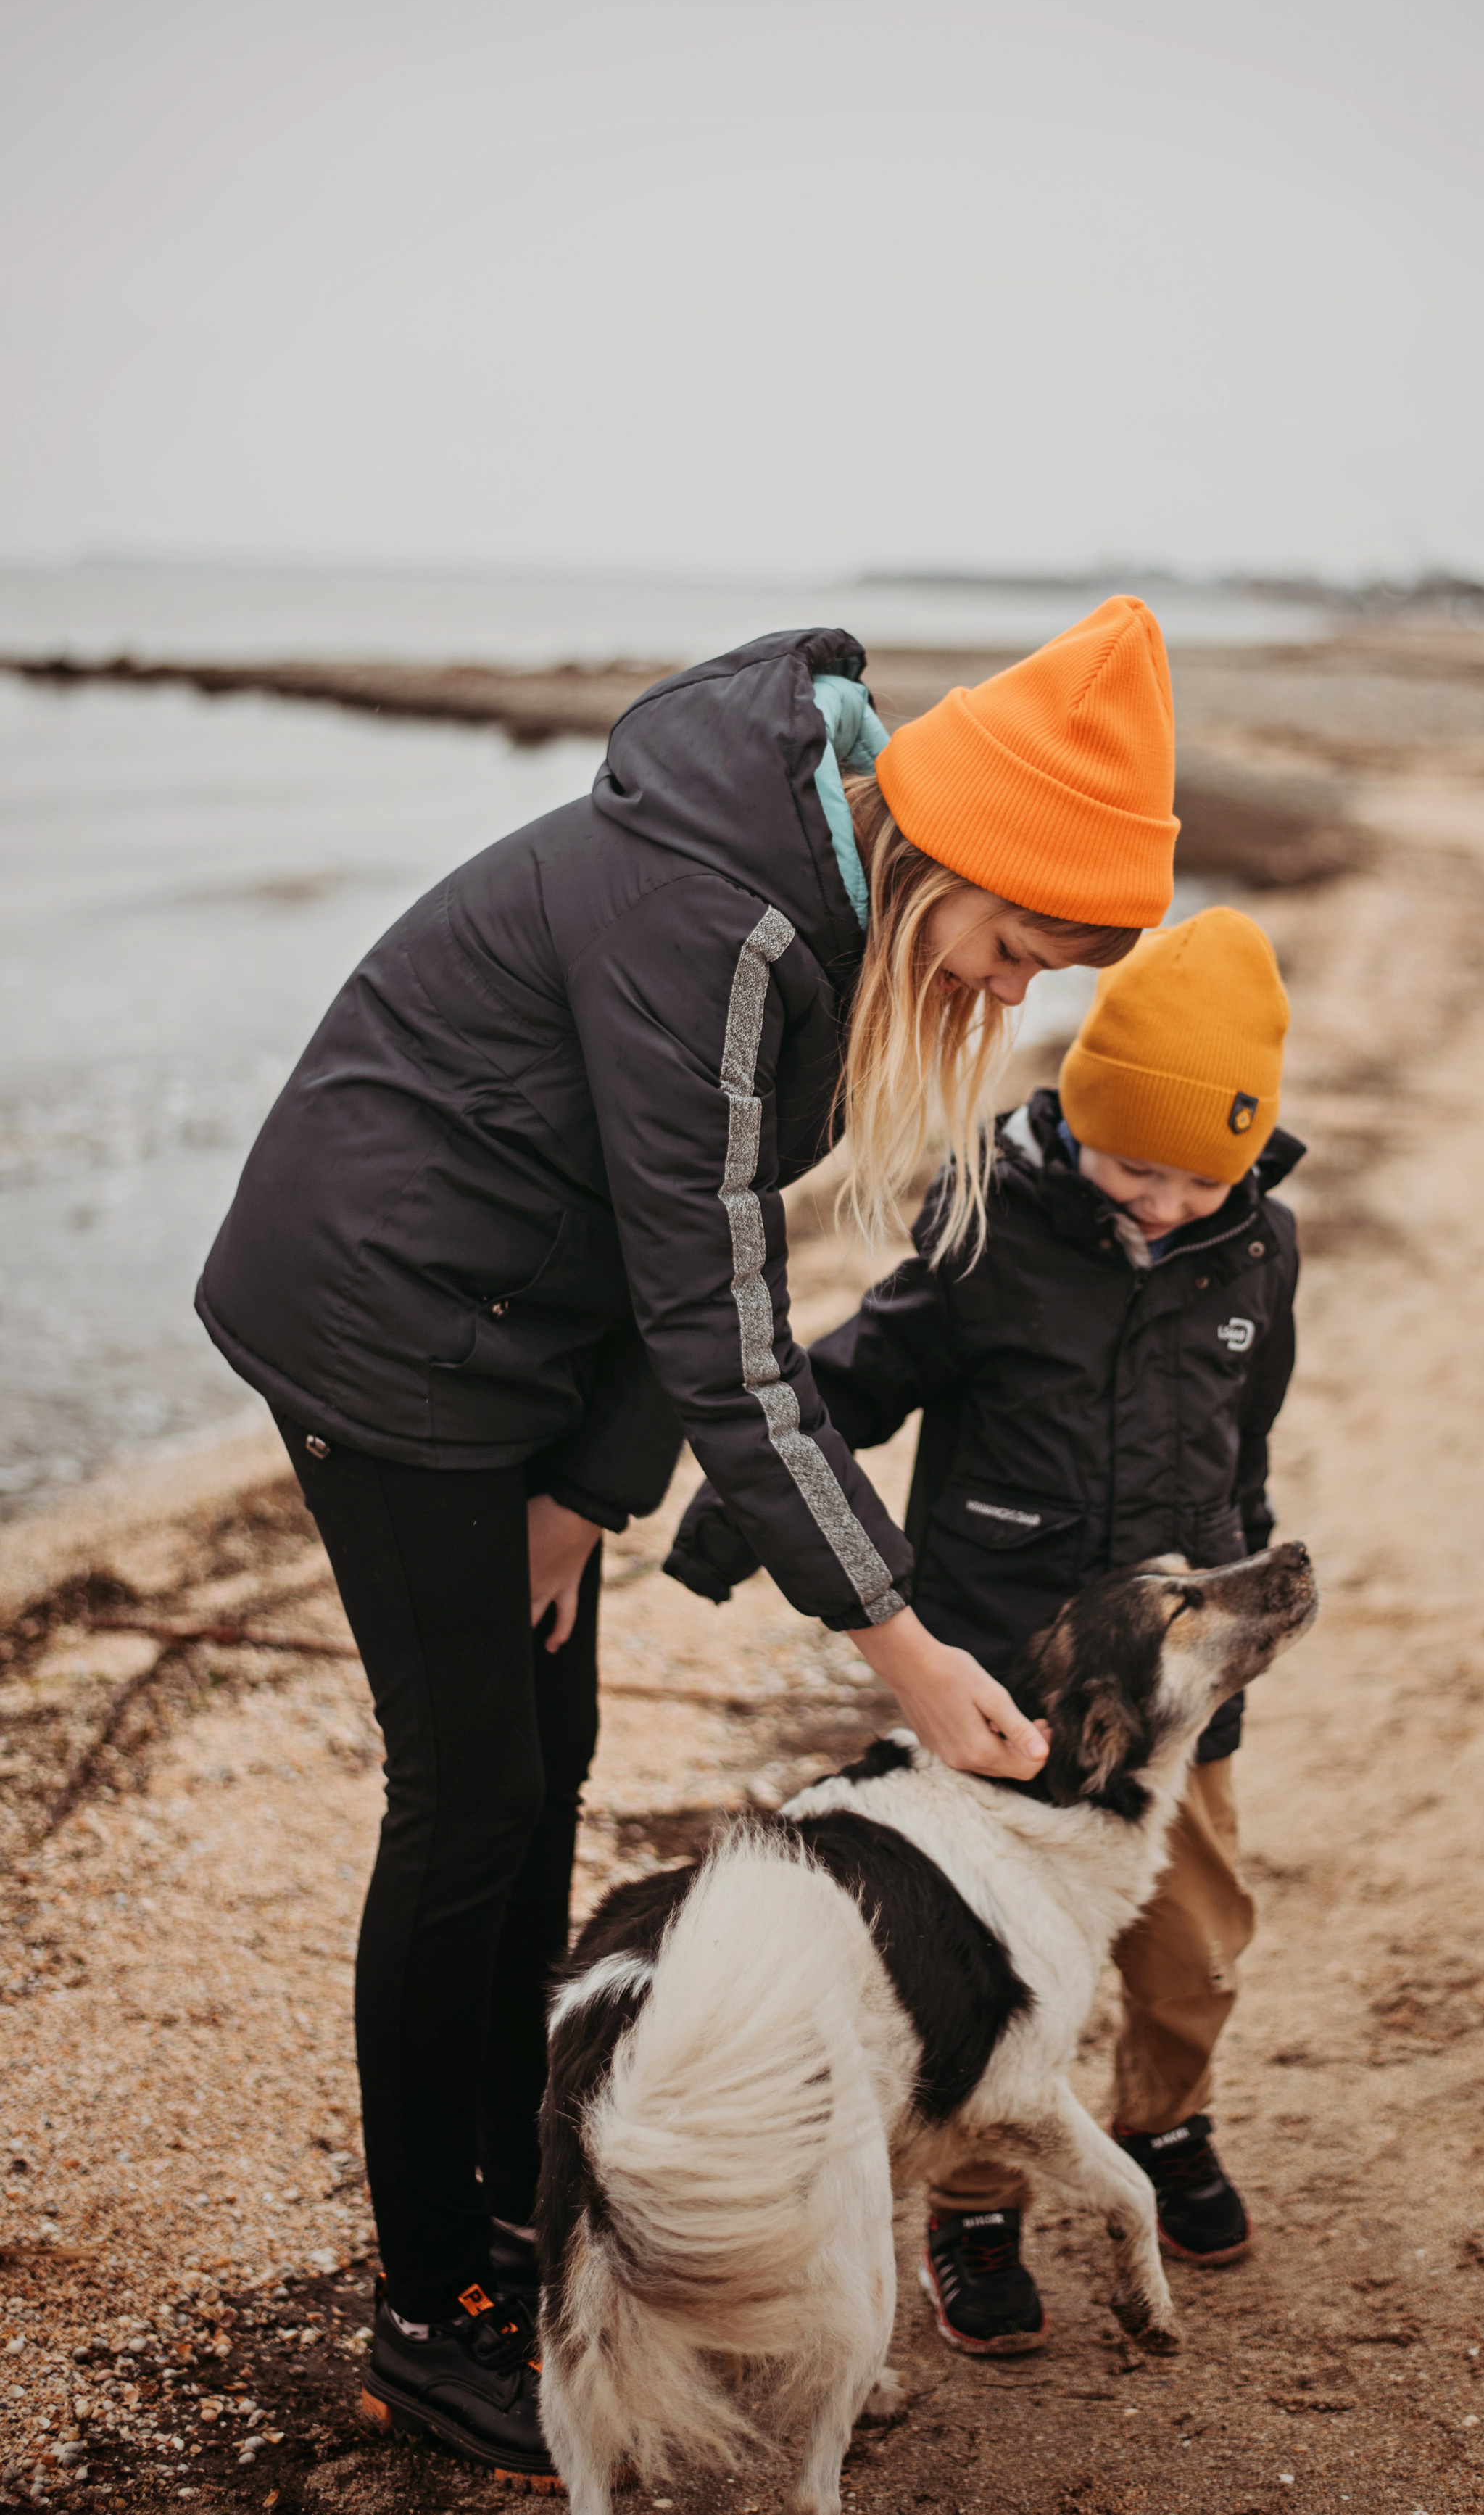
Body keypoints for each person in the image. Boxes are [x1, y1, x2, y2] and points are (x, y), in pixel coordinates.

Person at [194, 597, 1177, 2479]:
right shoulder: (717, 914)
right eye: (1020, 947)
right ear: (956, 861)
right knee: (466, 1794)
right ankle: (430, 2311)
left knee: (540, 1770)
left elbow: (704, 1248)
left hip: (518, 1339)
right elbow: (724, 1335)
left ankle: (510, 2206)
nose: (1010, 993)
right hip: (378, 1317)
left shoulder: (817, 924)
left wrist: (578, 1497)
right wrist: (901, 1641)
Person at [670, 906, 1301, 2355]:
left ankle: (1169, 2124)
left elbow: (1242, 1443)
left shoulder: (1256, 1251)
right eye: (1128, 1164)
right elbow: (857, 1374)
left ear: (1244, 1160)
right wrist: (738, 1511)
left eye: (1192, 1178)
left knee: (1191, 1946)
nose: (1154, 1202)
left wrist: (1233, 1607)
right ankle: (969, 2204)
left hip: (1170, 1698)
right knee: (977, 1957)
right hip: (997, 1674)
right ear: (1076, 1118)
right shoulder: (985, 1229)